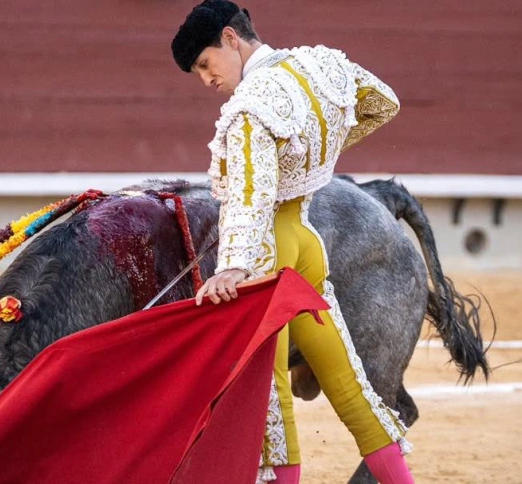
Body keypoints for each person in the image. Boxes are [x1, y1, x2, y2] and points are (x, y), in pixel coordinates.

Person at [171, 2, 415, 483]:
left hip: (268, 251)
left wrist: (232, 267)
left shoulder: (248, 107)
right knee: (350, 386)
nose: (206, 80)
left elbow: (249, 199)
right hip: (307, 242)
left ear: (230, 38)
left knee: (270, 398)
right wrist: (315, 148)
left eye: (205, 63)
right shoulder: (320, 66)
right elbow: (382, 102)